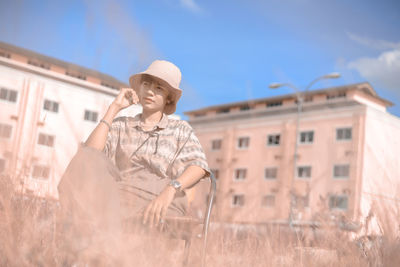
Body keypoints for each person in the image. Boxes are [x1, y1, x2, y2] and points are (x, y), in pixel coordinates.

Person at [57, 61, 210, 259]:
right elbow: (90, 156)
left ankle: (90, 253)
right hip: (119, 197)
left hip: (159, 199)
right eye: (146, 84)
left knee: (99, 215)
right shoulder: (122, 125)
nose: (150, 91)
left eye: (159, 88)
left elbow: (198, 166)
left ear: (169, 98)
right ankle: (82, 251)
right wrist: (114, 109)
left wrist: (170, 190)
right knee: (85, 157)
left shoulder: (180, 129)